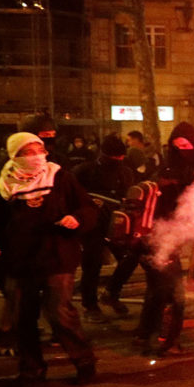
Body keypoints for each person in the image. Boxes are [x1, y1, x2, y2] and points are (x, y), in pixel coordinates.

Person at [0, 132, 98, 384]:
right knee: (23, 315)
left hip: (57, 254)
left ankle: (84, 361)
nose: (36, 157)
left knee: (59, 312)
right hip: (21, 259)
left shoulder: (61, 178)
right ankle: (31, 369)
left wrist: (77, 218)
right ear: (14, 155)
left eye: (39, 151)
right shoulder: (3, 184)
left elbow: (88, 208)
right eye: (28, 152)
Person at [137, 122, 194, 355]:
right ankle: (162, 339)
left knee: (170, 288)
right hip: (163, 233)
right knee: (168, 288)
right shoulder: (168, 170)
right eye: (176, 147)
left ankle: (157, 336)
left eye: (185, 145)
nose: (181, 150)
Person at [73, 134, 137, 322]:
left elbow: (129, 195)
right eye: (113, 158)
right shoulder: (84, 170)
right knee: (92, 264)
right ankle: (90, 305)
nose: (117, 161)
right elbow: (71, 195)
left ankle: (112, 292)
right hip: (92, 225)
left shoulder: (125, 172)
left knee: (129, 257)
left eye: (120, 158)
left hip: (117, 223)